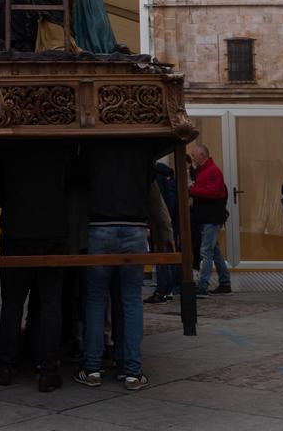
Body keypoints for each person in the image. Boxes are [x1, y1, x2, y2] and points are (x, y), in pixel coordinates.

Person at [76, 139, 161, 391]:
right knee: (131, 299)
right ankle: (131, 370)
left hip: (100, 226)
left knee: (95, 298)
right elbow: (149, 178)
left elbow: (79, 178)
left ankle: (92, 368)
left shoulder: (93, 145)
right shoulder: (141, 146)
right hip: (135, 228)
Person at [0, 141, 72, 392]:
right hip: (53, 230)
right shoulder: (61, 146)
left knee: (12, 303)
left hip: (17, 230)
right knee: (50, 303)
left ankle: (5, 366)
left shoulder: (6, 147)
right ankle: (47, 370)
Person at [188, 144, 230, 296]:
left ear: (202, 155)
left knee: (205, 252)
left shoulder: (212, 171)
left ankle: (202, 285)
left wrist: (190, 190)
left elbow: (212, 192)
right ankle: (225, 282)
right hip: (208, 217)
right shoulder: (205, 171)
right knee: (215, 251)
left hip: (211, 217)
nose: (192, 157)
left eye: (194, 155)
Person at [145, 157, 181, 304]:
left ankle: (162, 290)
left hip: (159, 224)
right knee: (167, 255)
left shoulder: (154, 178)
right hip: (166, 222)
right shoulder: (163, 176)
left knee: (162, 257)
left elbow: (159, 205)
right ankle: (169, 289)